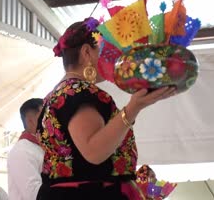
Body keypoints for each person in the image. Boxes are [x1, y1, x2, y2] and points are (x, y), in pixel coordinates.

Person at [36, 18, 176, 200]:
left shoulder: (56, 94)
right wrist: (133, 107)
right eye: (108, 51)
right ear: (87, 52)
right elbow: (94, 152)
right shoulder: (79, 92)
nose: (116, 59)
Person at [7, 98, 44, 200]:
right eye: (45, 115)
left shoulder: (41, 146)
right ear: (31, 121)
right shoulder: (22, 150)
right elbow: (34, 194)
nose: (50, 119)